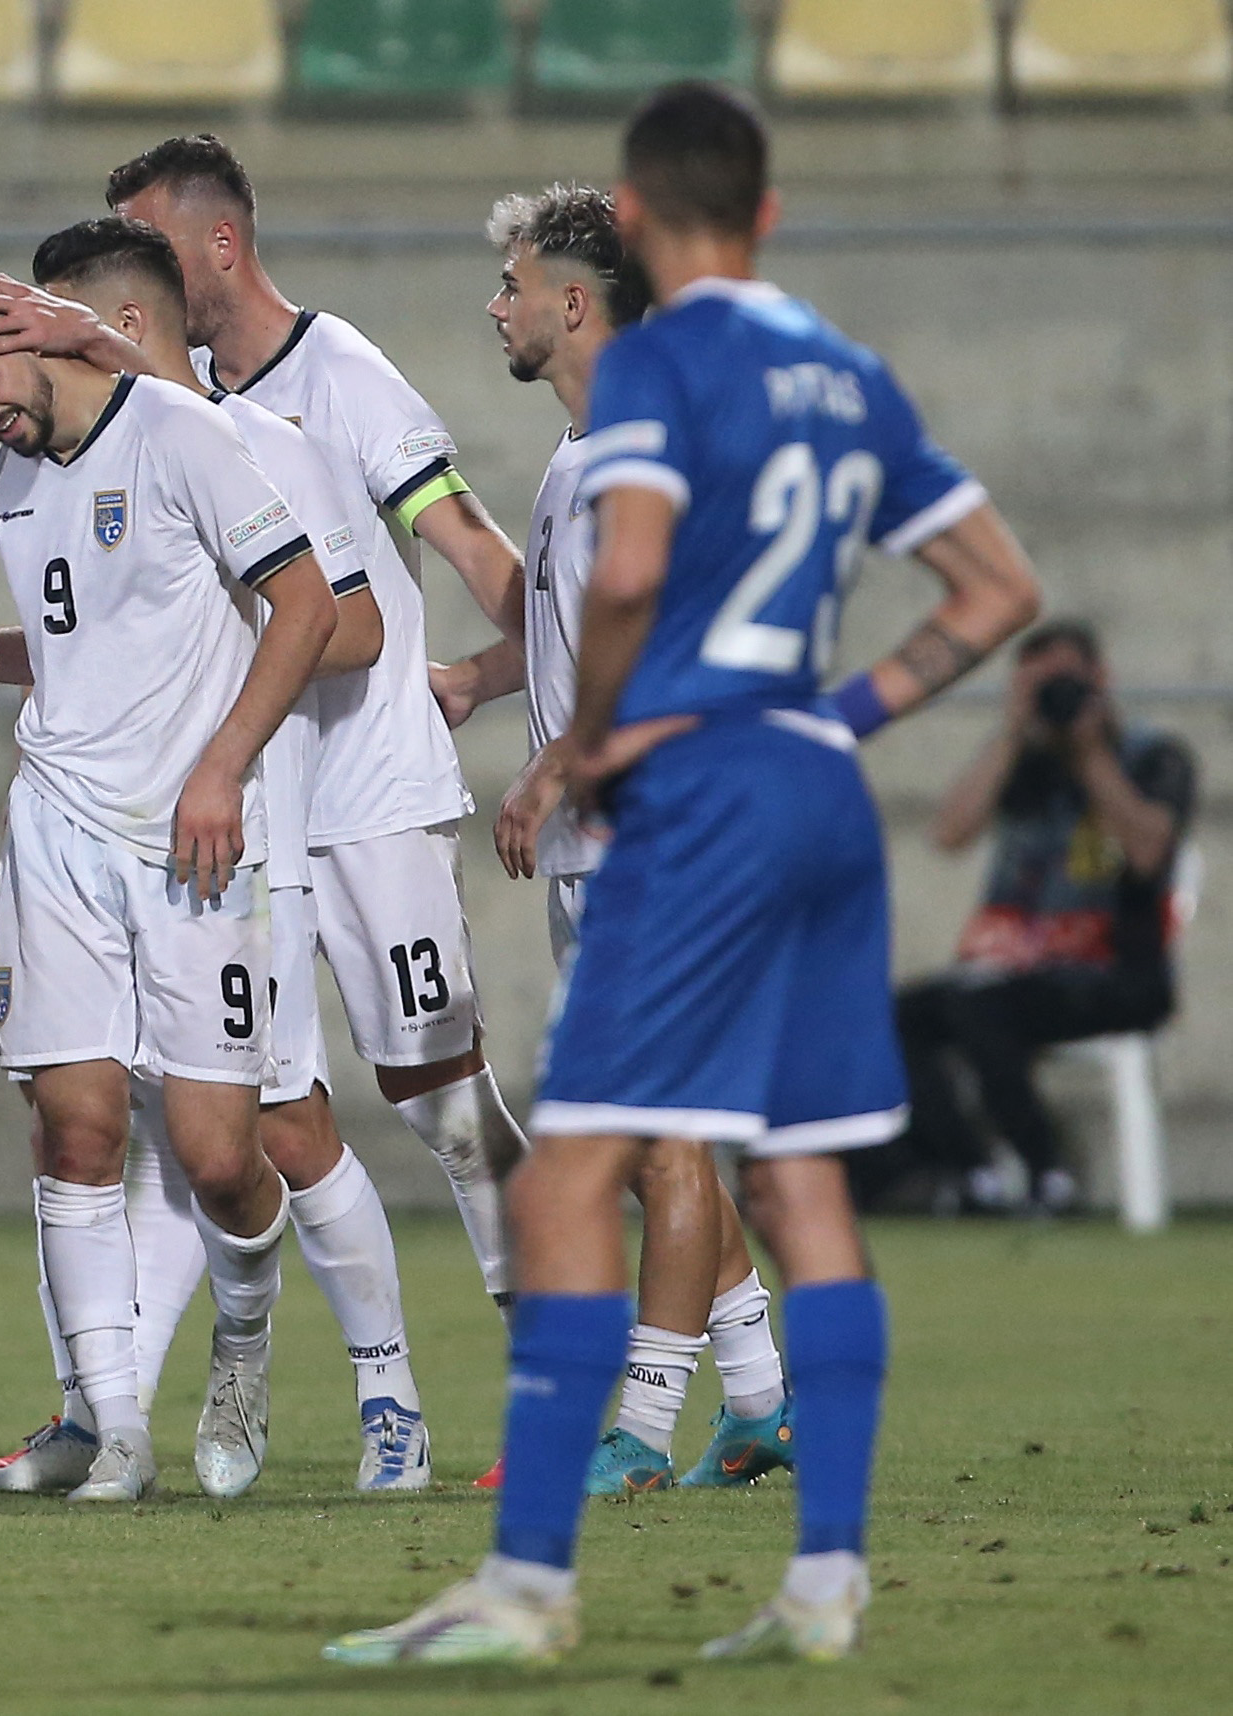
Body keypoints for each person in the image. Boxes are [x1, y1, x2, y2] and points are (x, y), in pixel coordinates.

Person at [324, 83, 1039, 1667]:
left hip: (691, 796)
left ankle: (526, 1584)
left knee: (577, 1169)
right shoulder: (849, 375)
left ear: (633, 227)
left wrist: (581, 746)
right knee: (794, 1180)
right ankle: (824, 1585)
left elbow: (630, 571)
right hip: (814, 791)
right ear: (768, 214)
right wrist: (839, 713)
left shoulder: (652, 373)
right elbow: (997, 591)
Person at [0, 218, 434, 1498]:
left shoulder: (214, 439)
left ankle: (320, 1367)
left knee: (249, 1146)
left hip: (219, 837)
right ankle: (106, 1425)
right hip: (58, 824)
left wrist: (218, 759)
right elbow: (69, 644)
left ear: (64, 328)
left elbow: (336, 616)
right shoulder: (12, 471)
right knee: (73, 1121)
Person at [101, 137, 536, 1374]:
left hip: (369, 796)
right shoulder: (171, 410)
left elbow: (471, 549)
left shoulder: (338, 377)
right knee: (213, 1110)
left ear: (219, 244)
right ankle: (110, 1401)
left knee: (445, 1103)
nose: (134, 271)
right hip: (257, 819)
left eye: (153, 242)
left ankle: (563, 1364)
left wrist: (509, 676)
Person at [484, 183, 795, 1495]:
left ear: (570, 300)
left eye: (510, 284)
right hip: (608, 847)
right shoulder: (586, 452)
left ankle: (643, 1432)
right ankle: (765, 1402)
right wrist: (477, 682)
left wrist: (555, 763)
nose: (492, 306)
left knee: (654, 1142)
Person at [863, 620, 1195, 1215]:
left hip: (1118, 971)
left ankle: (1048, 1172)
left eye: (1067, 681)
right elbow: (948, 833)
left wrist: (1090, 753)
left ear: (1101, 680)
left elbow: (1148, 851)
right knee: (896, 1016)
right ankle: (970, 1171)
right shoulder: (1021, 760)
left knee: (981, 1007)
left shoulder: (1154, 757)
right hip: (1021, 969)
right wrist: (1012, 733)